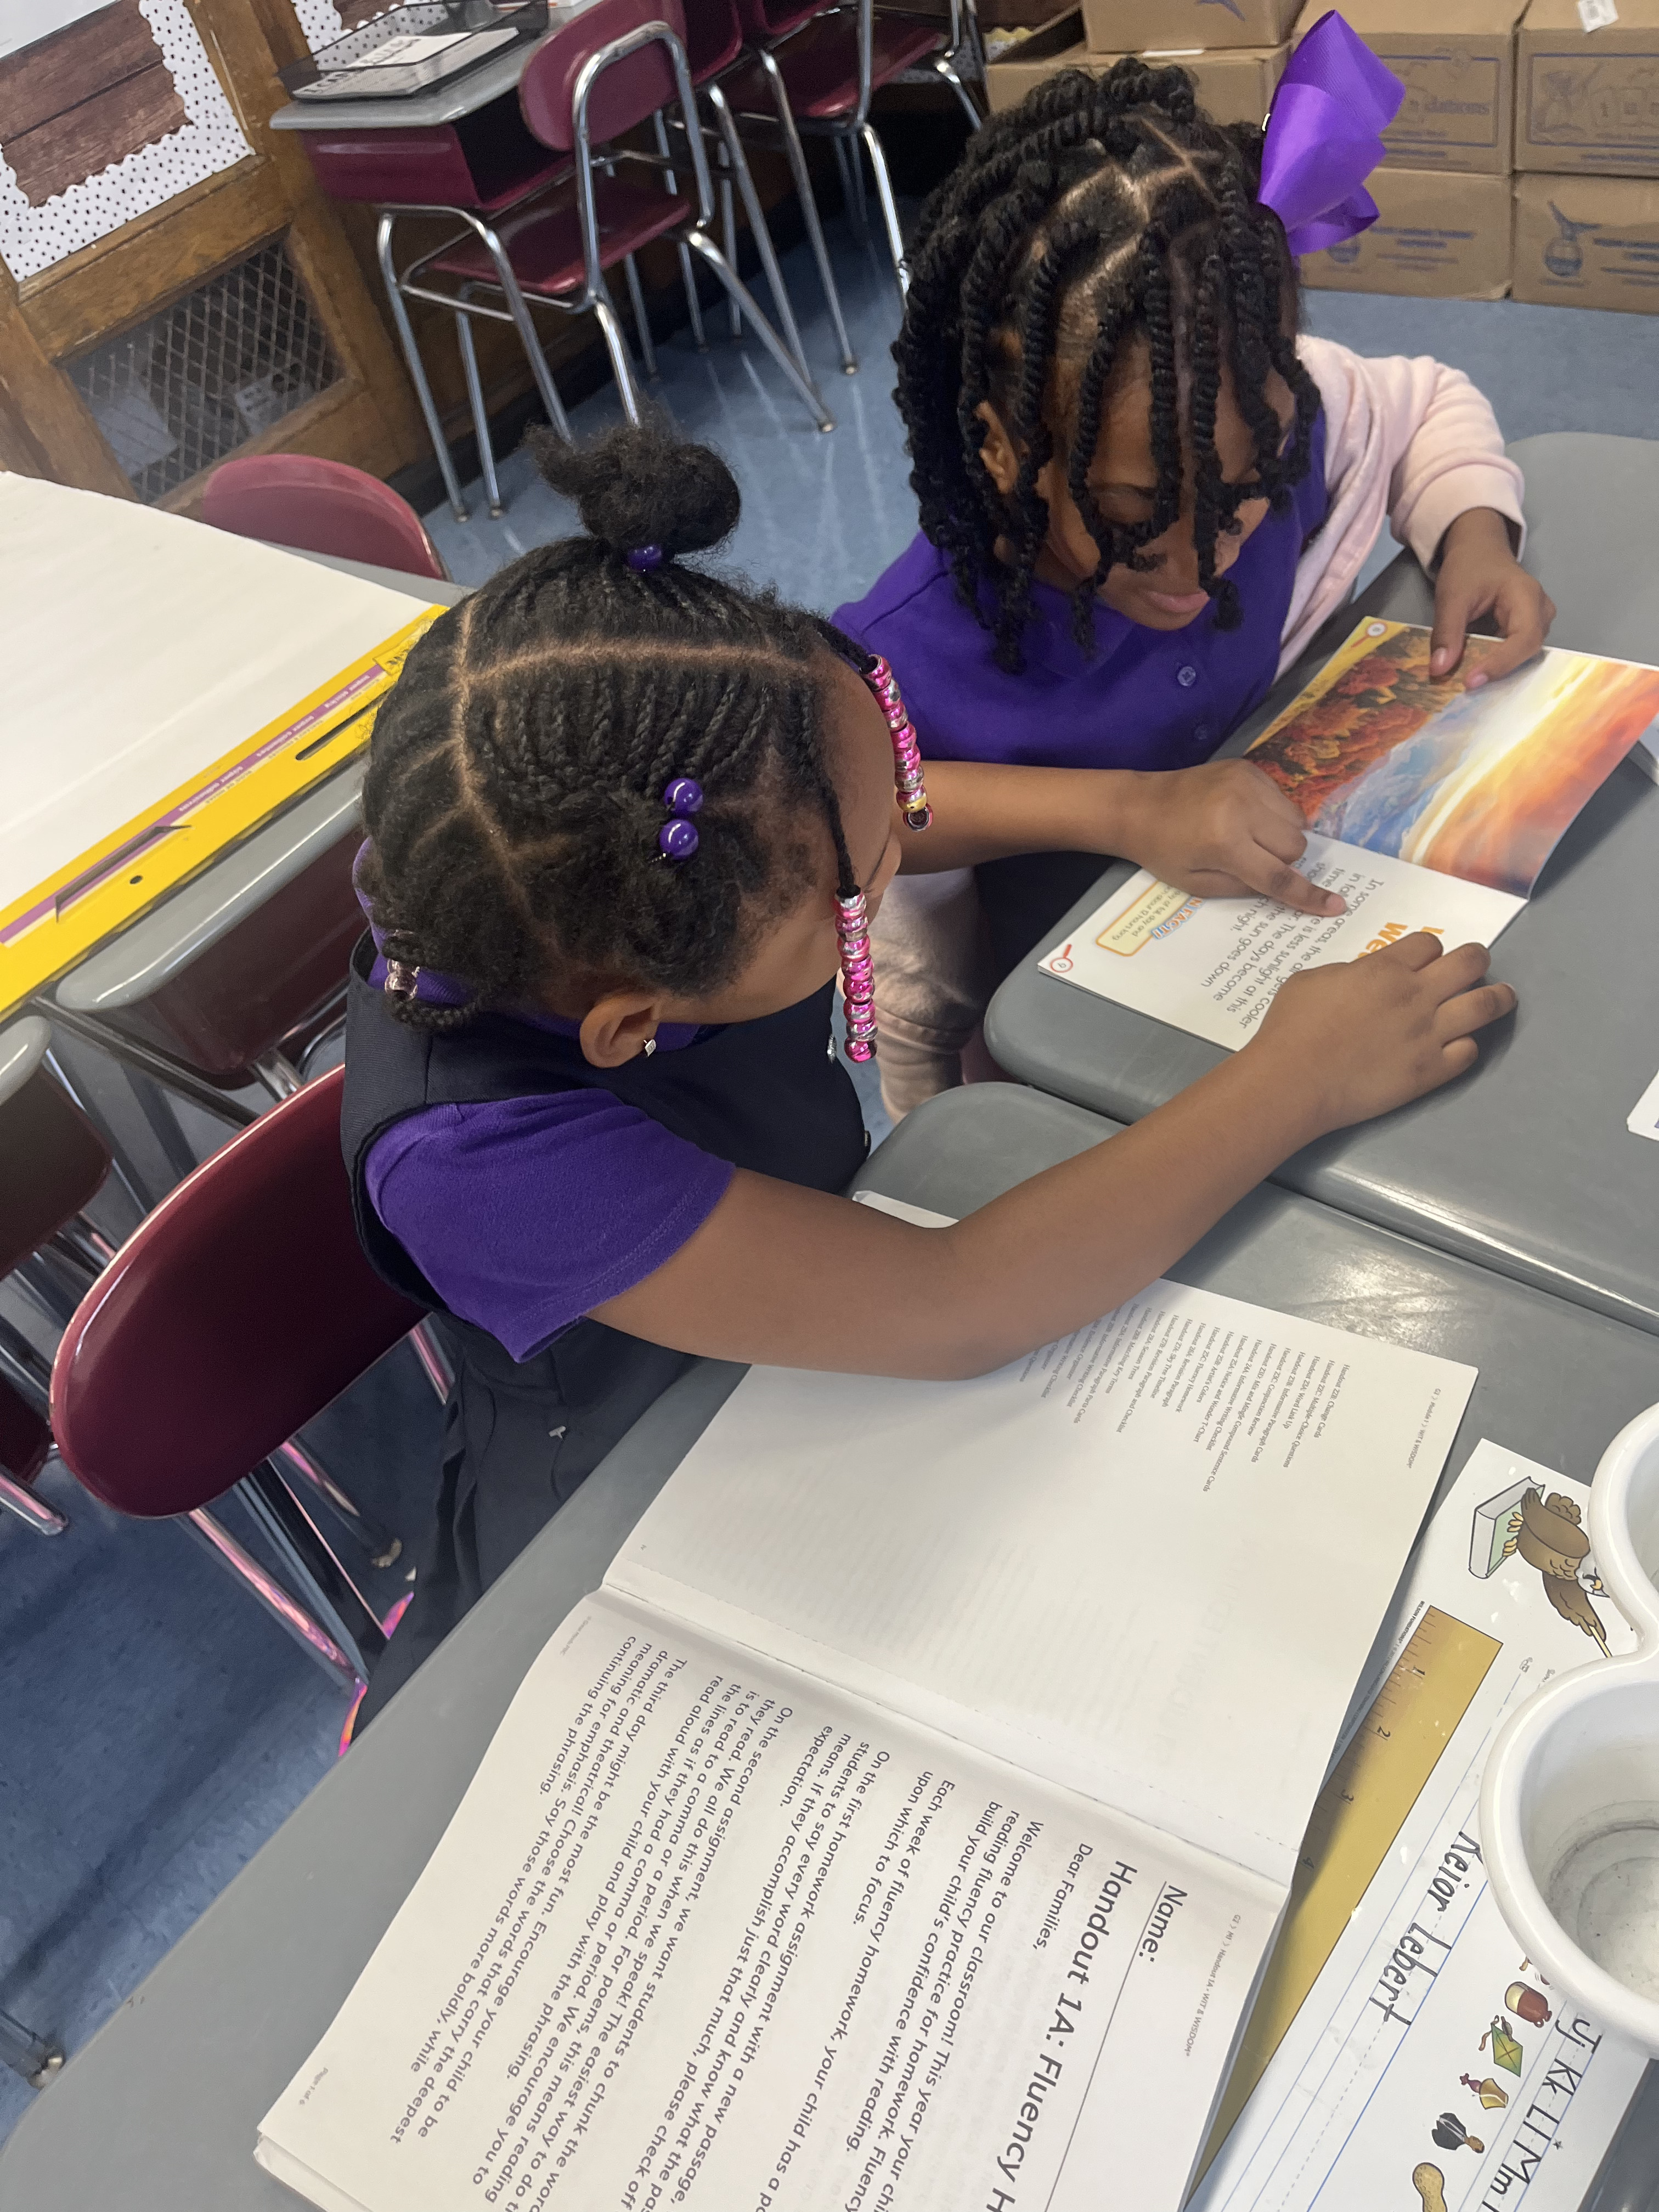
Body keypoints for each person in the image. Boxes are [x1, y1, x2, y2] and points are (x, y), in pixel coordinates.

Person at [342, 422, 1514, 1727]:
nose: (900, 858)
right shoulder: (480, 1165)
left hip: (802, 1324)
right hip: (640, 1473)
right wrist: (1297, 1076)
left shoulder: (609, 861)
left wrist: (1126, 809)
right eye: (864, 901)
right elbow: (957, 1301)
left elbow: (838, 818)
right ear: (634, 1024)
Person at [832, 55, 1555, 1119]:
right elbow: (849, 812)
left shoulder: (1252, 420)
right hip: (1080, 1053)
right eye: (1130, 515)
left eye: (1247, 493)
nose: (1202, 559)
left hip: (1296, 970)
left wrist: (1476, 536)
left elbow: (1425, 402)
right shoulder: (909, 646)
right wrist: (1132, 809)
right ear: (998, 447)